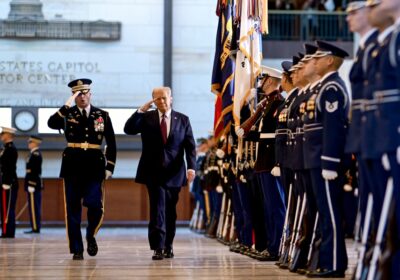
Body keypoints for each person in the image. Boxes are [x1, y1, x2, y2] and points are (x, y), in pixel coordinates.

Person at [47, 78, 117, 260]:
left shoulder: (102, 115)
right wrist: (66, 105)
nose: (82, 97)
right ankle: (77, 249)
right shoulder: (67, 114)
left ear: (90, 94)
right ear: (74, 96)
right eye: (78, 94)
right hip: (72, 165)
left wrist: (110, 166)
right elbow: (51, 123)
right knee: (73, 210)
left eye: (85, 93)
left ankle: (90, 234)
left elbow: (112, 143)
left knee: (95, 204)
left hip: (94, 166)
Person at [124, 86, 196, 260]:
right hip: (152, 172)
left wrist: (191, 167)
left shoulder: (183, 119)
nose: (161, 102)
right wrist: (140, 110)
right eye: (157, 99)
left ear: (171, 98)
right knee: (157, 209)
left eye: (164, 98)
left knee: (170, 211)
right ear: (153, 101)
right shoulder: (146, 117)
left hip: (175, 173)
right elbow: (129, 129)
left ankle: (168, 245)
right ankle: (158, 247)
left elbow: (190, 146)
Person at [0, 127, 18, 238]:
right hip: (5, 182)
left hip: (9, 183)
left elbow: (10, 168)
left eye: (3, 134)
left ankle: (8, 232)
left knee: (8, 209)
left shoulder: (11, 149)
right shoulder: (6, 148)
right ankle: (6, 231)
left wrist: (7, 182)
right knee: (4, 208)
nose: (1, 136)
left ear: (8, 135)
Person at [24, 135, 43, 234]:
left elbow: (35, 171)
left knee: (34, 207)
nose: (29, 144)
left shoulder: (36, 154)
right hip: (32, 184)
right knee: (33, 207)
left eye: (30, 142)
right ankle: (34, 226)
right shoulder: (32, 154)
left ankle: (35, 227)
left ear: (35, 143)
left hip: (33, 184)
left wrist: (31, 184)